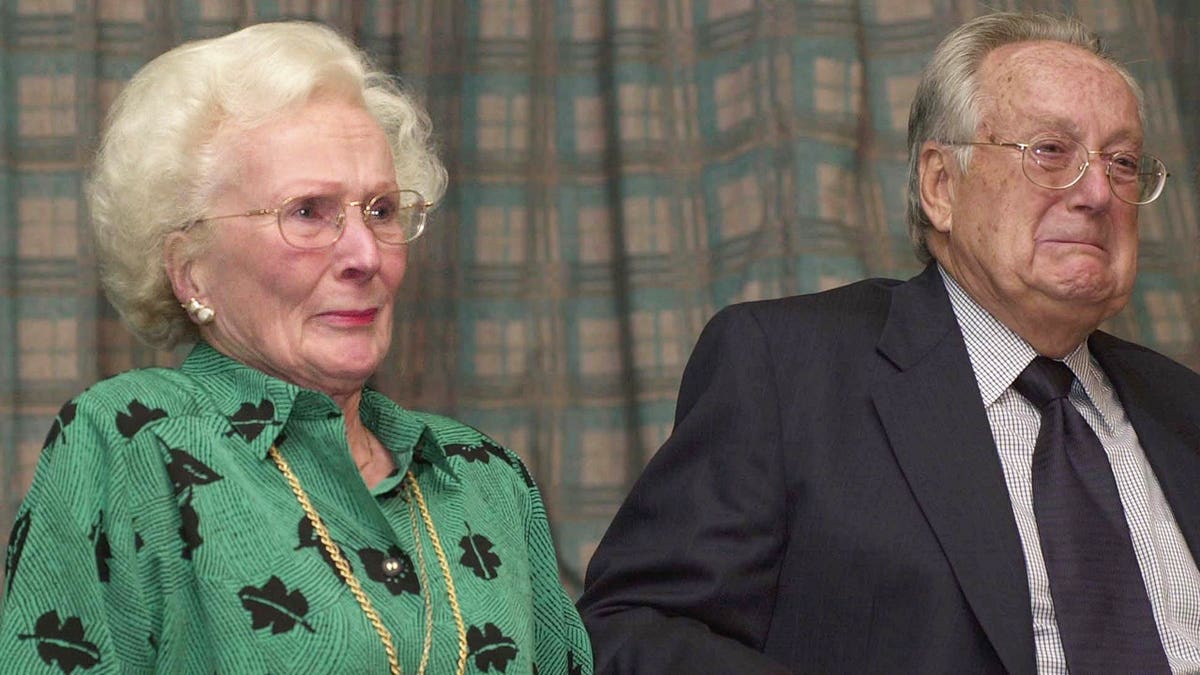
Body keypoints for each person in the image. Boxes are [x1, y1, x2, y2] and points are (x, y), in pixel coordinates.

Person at [578, 10, 1200, 674]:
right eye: (1051, 151)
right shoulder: (788, 371)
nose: (1100, 192)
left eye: (1124, 161)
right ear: (940, 185)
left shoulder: (1182, 406)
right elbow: (631, 631)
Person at [0, 21, 591, 674]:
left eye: (382, 210)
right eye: (308, 211)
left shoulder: (486, 477)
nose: (365, 255)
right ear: (190, 270)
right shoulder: (132, 445)